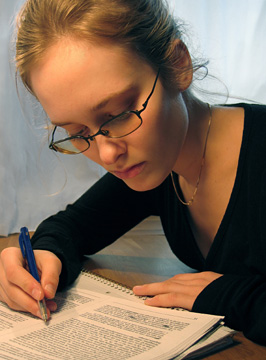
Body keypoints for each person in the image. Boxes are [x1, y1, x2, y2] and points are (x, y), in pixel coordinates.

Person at [0, 0, 265, 346]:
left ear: (177, 64)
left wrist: (239, 297)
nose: (107, 154)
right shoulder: (160, 159)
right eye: (78, 133)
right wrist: (44, 255)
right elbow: (73, 226)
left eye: (120, 113)